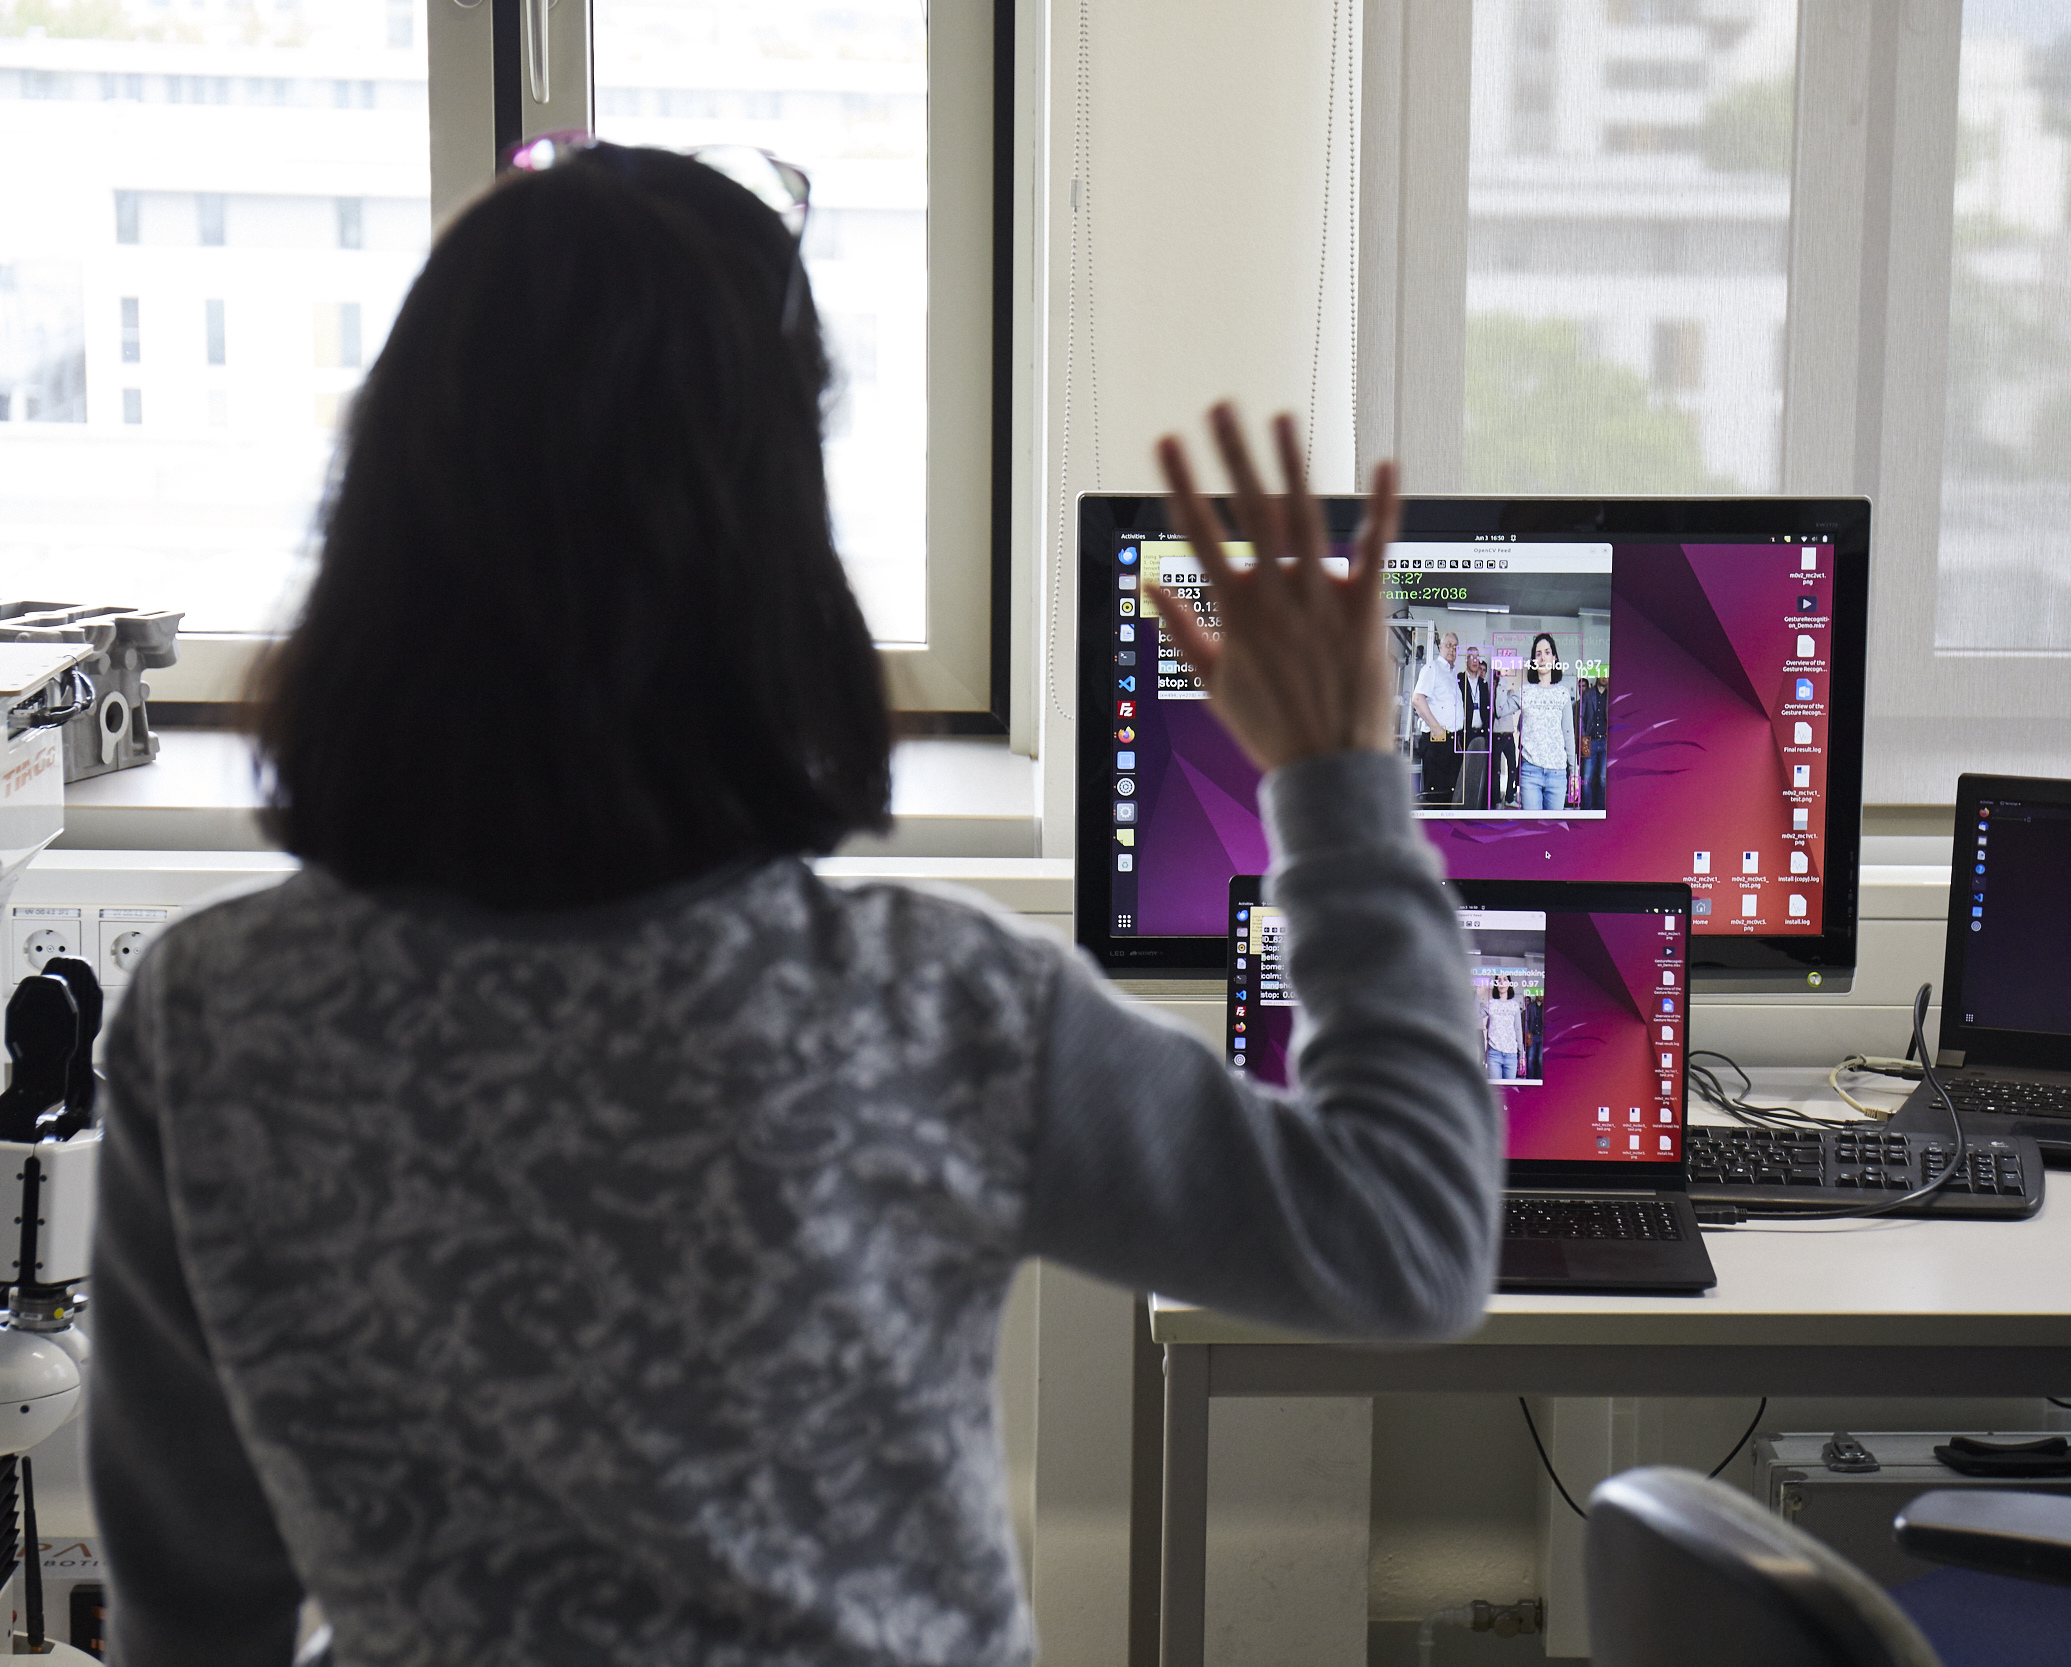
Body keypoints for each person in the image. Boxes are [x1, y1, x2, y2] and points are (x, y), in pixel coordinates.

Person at [85, 142, 1501, 1667]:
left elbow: (192, 1613)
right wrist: (1342, 785)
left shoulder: (211, 1017)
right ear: (773, 540)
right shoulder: (928, 1004)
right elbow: (1408, 1240)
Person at [1515, 632, 1579, 813]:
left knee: (1553, 834)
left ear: (1554, 658)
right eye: (1538, 653)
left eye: (1547, 652)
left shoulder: (1563, 694)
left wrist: (1573, 772)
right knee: (1532, 833)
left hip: (1557, 775)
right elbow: (1500, 710)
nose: (1543, 657)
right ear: (1533, 660)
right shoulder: (1525, 691)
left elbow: (1568, 735)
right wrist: (1502, 677)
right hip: (1530, 773)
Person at [1410, 629, 1464, 806]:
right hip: (1436, 739)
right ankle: (1436, 832)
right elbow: (1417, 699)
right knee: (1437, 796)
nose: (1452, 650)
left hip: (1451, 739)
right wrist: (1438, 729)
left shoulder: (1452, 674)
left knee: (1450, 794)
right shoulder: (1432, 668)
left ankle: (1447, 832)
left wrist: (1454, 737)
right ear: (1440, 647)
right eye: (1448, 646)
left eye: (1455, 647)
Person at [1458, 647, 1492, 811]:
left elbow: (1487, 711)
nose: (1475, 660)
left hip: (1481, 733)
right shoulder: (1458, 680)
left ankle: (1478, 809)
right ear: (1466, 660)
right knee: (1464, 773)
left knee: (1480, 772)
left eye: (1477, 657)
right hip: (1466, 733)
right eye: (1471, 657)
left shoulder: (1483, 684)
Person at [1490, 666, 1520, 809]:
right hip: (1496, 735)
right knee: (1496, 770)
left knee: (1512, 767)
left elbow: (1504, 708)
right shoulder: (1491, 694)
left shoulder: (1510, 693)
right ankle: (1496, 800)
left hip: (1509, 735)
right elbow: (1497, 710)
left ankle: (1509, 797)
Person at [1484, 975, 1525, 1080]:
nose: (1501, 982)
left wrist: (1522, 1054)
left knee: (1510, 1092)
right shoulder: (1490, 1004)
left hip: (1511, 1055)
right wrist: (1476, 994)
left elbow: (1518, 1030)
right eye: (1499, 980)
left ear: (1510, 983)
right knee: (1497, 1091)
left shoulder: (1514, 1005)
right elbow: (1475, 1015)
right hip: (1494, 1054)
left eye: (1505, 979)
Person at [1582, 673, 1610, 811]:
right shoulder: (1588, 694)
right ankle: (1586, 811)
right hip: (1590, 740)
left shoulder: (1611, 694)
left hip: (1605, 741)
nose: (1605, 677)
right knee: (1586, 779)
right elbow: (1581, 717)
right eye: (1603, 674)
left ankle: (1600, 810)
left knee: (1603, 779)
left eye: (1608, 675)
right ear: (1597, 676)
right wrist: (1583, 737)